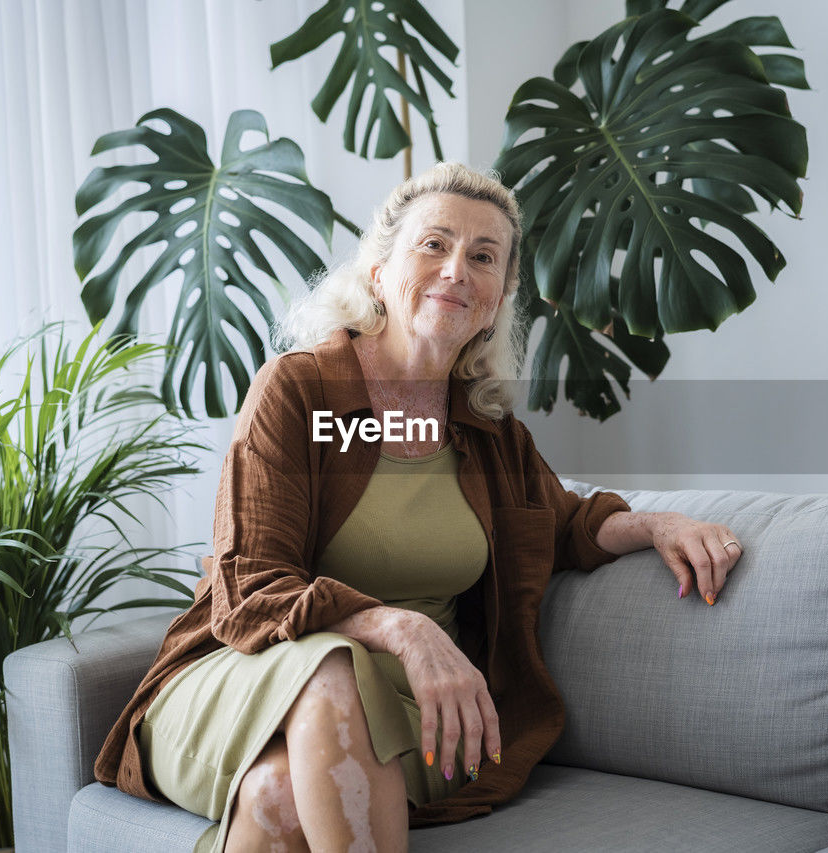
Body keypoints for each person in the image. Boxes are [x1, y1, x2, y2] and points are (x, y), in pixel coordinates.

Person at [93, 162, 743, 852]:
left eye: (483, 256)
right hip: (247, 672)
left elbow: (563, 522)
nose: (457, 269)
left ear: (497, 298)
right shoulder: (301, 392)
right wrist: (398, 627)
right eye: (433, 244)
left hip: (413, 712)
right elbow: (249, 583)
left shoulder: (487, 432)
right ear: (378, 271)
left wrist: (660, 523)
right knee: (332, 664)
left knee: (278, 796)